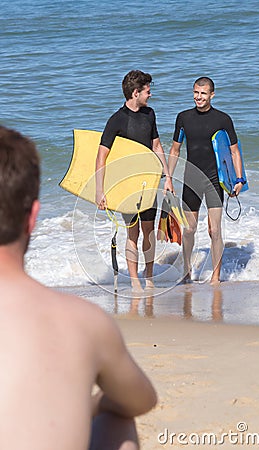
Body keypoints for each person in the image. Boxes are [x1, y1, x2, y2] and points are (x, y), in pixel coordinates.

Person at [0, 125, 157, 450]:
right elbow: (142, 400)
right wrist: (95, 404)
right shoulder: (81, 320)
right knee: (119, 418)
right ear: (33, 217)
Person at [96, 70, 173, 293]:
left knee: (148, 231)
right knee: (133, 232)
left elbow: (157, 146)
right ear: (136, 92)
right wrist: (100, 191)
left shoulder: (150, 114)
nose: (150, 94)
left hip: (148, 183)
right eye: (147, 91)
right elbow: (102, 155)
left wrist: (167, 177)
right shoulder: (116, 120)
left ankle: (148, 277)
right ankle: (134, 281)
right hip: (127, 186)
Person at [168, 77, 245, 285]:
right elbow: (175, 150)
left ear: (212, 94)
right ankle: (186, 270)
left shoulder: (223, 119)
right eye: (195, 92)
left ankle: (216, 276)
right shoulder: (183, 118)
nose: (198, 97)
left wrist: (238, 179)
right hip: (191, 179)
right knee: (189, 229)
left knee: (215, 230)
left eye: (203, 93)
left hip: (213, 180)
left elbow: (234, 151)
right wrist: (168, 177)